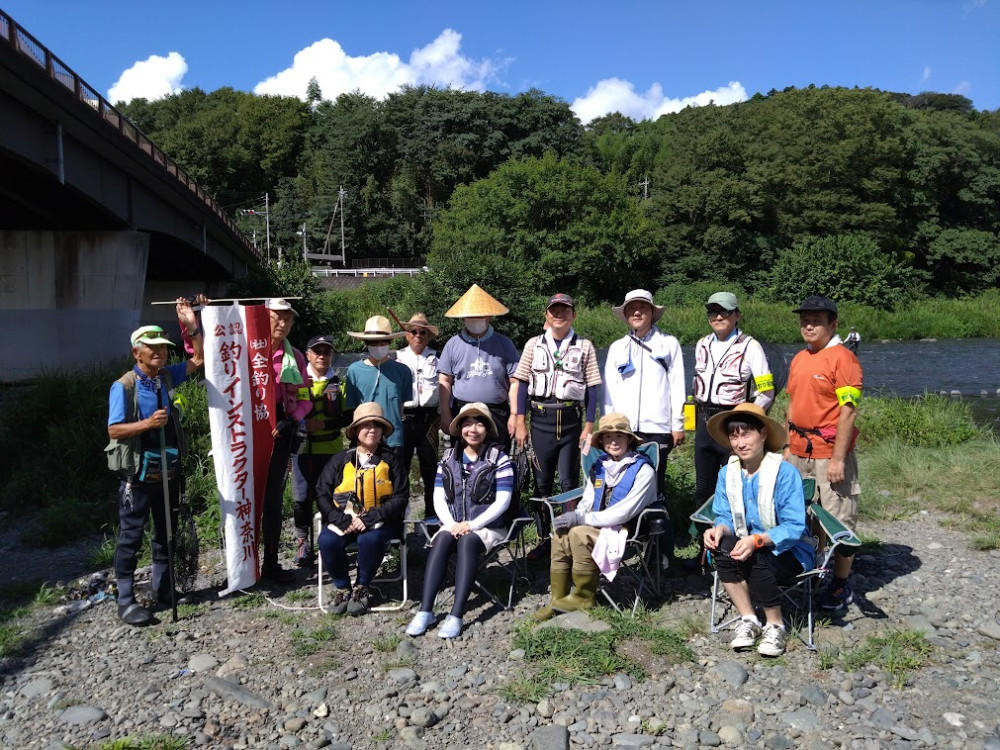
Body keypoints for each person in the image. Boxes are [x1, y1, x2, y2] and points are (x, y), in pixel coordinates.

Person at [106, 298, 204, 625]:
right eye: (153, 348)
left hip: (168, 469)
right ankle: (125, 600)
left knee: (166, 531)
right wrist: (148, 424)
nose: (160, 352)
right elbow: (114, 429)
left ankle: (164, 589)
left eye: (162, 347)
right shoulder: (124, 386)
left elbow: (199, 358)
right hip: (137, 474)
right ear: (137, 353)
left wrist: (191, 326)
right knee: (132, 536)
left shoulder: (165, 377)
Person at [702, 403, 813, 657]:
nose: (740, 443)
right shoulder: (727, 474)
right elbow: (724, 515)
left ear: (763, 434)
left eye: (747, 434)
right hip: (746, 545)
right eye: (734, 436)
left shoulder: (785, 473)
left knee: (757, 554)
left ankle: (775, 625)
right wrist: (718, 529)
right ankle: (749, 619)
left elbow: (794, 526)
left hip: (790, 553)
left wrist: (758, 540)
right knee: (722, 547)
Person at [533, 412, 657, 620]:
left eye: (619, 436)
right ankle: (558, 599)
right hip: (597, 527)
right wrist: (576, 515)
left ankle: (584, 596)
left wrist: (582, 520)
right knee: (561, 534)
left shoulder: (643, 471)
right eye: (608, 437)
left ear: (629, 439)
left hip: (626, 532)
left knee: (579, 533)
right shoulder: (600, 466)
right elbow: (588, 501)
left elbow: (624, 512)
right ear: (602, 441)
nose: (613, 442)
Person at [406, 402, 514, 639]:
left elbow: (503, 502)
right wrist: (452, 524)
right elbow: (438, 497)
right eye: (466, 424)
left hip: (488, 527)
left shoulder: (500, 458)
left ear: (487, 429)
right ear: (459, 429)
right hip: (454, 523)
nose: (472, 429)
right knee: (443, 538)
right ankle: (425, 610)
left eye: (479, 424)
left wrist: (471, 525)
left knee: (467, 542)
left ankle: (456, 614)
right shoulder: (448, 458)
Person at [785, 296, 863, 612]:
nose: (809, 325)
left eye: (817, 319)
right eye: (805, 319)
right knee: (804, 515)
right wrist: (785, 444)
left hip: (829, 453)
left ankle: (840, 584)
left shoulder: (844, 359)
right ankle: (816, 566)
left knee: (838, 518)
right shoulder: (800, 358)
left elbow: (848, 412)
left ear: (833, 324)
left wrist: (838, 459)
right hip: (797, 451)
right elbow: (792, 404)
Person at [512, 293, 602, 554]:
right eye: (554, 310)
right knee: (541, 482)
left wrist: (589, 425)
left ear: (573, 315)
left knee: (568, 481)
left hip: (572, 421)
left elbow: (593, 389)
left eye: (565, 310)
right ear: (547, 315)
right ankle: (543, 539)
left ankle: (568, 536)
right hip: (540, 420)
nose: (559, 314)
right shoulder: (532, 345)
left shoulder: (584, 346)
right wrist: (519, 420)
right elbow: (521, 384)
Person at [315, 402, 408, 616]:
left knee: (370, 539)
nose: (372, 430)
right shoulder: (340, 460)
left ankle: (362, 586)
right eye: (365, 425)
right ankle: (342, 587)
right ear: (356, 431)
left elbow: (401, 497)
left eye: (377, 425)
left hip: (382, 522)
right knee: (327, 540)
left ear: (383, 431)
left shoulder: (392, 461)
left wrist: (371, 517)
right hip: (344, 522)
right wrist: (340, 519)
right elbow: (322, 492)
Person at [692, 292, 775, 510]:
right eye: (713, 312)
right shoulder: (701, 345)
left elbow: (766, 391)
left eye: (724, 312)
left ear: (737, 315)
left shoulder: (750, 346)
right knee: (702, 486)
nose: (718, 317)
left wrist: (745, 418)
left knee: (734, 485)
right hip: (703, 421)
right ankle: (705, 538)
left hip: (732, 422)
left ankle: (736, 538)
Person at [603, 289, 685, 491]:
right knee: (623, 483)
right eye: (631, 308)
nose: (637, 312)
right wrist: (608, 426)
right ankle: (626, 523)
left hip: (658, 428)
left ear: (651, 312)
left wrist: (678, 425)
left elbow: (677, 386)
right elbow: (608, 391)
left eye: (642, 308)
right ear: (626, 315)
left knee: (654, 482)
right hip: (623, 429)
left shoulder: (668, 344)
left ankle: (655, 520)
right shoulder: (616, 347)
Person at [260, 298, 312, 583]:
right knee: (246, 497)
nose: (283, 323)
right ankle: (243, 562)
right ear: (264, 317)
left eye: (288, 319)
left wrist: (292, 420)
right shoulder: (247, 350)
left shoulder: (297, 358)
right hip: (250, 428)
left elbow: (304, 399)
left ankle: (270, 562)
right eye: (277, 317)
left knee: (273, 498)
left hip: (282, 428)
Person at [438, 284, 520, 449]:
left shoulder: (504, 343)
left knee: (498, 456)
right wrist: (445, 413)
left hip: (496, 411)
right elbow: (445, 381)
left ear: (488, 316)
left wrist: (514, 414)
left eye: (479, 315)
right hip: (463, 410)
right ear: (463, 318)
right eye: (471, 316)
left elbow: (515, 381)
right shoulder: (453, 344)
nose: (475, 319)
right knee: (462, 459)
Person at [291, 334, 348, 568]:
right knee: (301, 499)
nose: (322, 356)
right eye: (317, 351)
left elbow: (349, 417)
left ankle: (329, 540)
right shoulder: (296, 382)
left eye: (327, 351)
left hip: (331, 450)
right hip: (302, 450)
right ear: (308, 355)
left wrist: (323, 425)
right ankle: (302, 542)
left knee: (331, 499)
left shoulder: (340, 384)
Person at [343, 315, 413, 500]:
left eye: (383, 341)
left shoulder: (403, 371)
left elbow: (401, 407)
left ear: (390, 342)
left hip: (394, 440)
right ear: (366, 342)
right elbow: (352, 409)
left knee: (395, 489)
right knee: (362, 489)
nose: (379, 345)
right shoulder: (353, 371)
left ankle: (395, 527)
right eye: (374, 342)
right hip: (363, 440)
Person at [394, 312, 442, 521]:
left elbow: (446, 386)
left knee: (431, 468)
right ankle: (400, 516)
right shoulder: (395, 357)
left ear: (428, 335)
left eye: (422, 332)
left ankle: (432, 515)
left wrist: (443, 413)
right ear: (406, 334)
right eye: (413, 331)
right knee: (400, 469)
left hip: (429, 420)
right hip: (403, 419)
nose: (418, 335)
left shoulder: (437, 357)